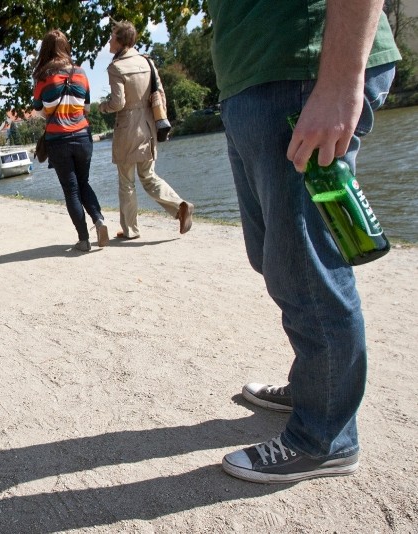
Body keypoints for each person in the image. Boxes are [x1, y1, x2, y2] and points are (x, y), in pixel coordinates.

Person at [208, 0, 401, 483]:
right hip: (253, 81)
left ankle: (324, 439)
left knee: (307, 271)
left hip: (303, 69)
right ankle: (319, 386)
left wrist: (338, 83)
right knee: (277, 261)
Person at [98, 20, 193, 240]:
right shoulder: (147, 62)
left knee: (127, 181)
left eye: (112, 37)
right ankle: (180, 206)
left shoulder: (116, 67)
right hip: (149, 126)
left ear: (121, 41)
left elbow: (118, 103)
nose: (109, 41)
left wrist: (103, 107)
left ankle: (130, 230)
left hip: (127, 127)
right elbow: (159, 92)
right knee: (148, 176)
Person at [32, 29, 109, 252]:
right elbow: (86, 108)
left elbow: (39, 111)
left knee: (71, 189)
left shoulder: (43, 78)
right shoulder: (81, 73)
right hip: (83, 136)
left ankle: (84, 240)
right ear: (66, 47)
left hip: (58, 139)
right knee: (83, 183)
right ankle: (99, 219)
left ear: (45, 50)